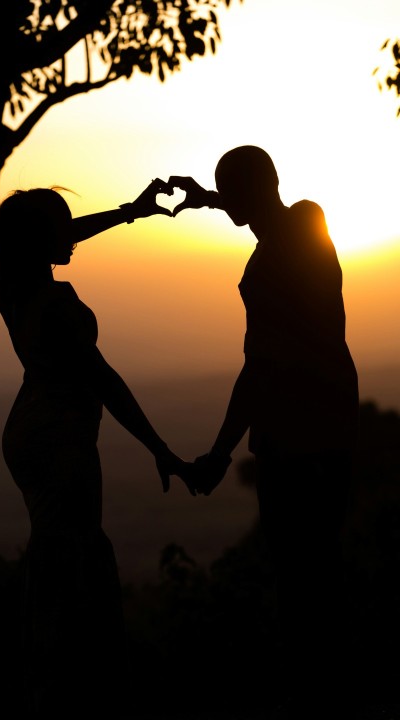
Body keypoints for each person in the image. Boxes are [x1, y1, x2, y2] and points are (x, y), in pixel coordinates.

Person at [168, 146, 359, 719]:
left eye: (236, 189)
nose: (229, 200)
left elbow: (258, 368)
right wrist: (210, 199)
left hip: (309, 440)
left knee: (308, 581)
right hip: (299, 435)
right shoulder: (280, 242)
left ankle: (318, 697)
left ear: (270, 185)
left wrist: (221, 451)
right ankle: (317, 692)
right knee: (304, 577)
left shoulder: (302, 227)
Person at [0, 180, 195, 719]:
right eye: (61, 225)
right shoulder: (55, 305)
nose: (73, 235)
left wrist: (131, 212)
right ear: (42, 239)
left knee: (56, 554)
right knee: (74, 559)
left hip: (29, 427)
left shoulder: (12, 284)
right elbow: (102, 379)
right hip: (59, 436)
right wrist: (159, 446)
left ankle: (54, 692)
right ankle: (76, 700)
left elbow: (68, 235)